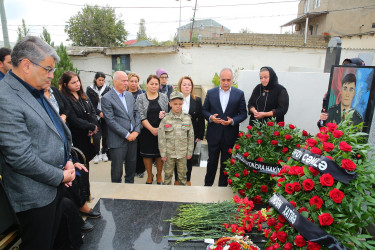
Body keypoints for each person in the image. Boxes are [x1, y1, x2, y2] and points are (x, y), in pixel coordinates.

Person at [0, 36, 75, 249]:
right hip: (34, 196)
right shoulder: (5, 98)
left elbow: (53, 130)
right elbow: (19, 157)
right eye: (48, 69)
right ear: (26, 65)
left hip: (54, 186)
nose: (52, 75)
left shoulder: (33, 90)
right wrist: (59, 175)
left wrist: (67, 159)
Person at [202, 68, 247, 187]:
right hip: (213, 134)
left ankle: (222, 187)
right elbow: (204, 110)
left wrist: (233, 121)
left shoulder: (239, 94)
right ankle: (208, 186)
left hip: (229, 135)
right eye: (223, 80)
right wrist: (211, 117)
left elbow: (243, 113)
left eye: (228, 80)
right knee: (212, 161)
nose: (226, 83)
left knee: (226, 163)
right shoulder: (211, 93)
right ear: (219, 80)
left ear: (232, 80)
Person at [61, 71, 100, 206]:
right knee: (80, 167)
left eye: (78, 81)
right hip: (77, 137)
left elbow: (93, 112)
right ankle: (82, 196)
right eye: (73, 82)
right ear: (66, 84)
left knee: (86, 164)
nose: (77, 84)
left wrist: (94, 126)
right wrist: (89, 126)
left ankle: (87, 193)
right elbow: (73, 119)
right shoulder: (65, 98)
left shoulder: (84, 95)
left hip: (89, 135)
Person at [101, 71, 141, 183]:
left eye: (126, 80)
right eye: (123, 80)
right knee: (117, 170)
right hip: (118, 140)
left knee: (131, 168)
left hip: (133, 139)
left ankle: (129, 190)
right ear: (115, 81)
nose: (126, 83)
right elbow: (110, 121)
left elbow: (137, 113)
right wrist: (127, 135)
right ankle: (116, 194)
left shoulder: (129, 95)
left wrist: (136, 132)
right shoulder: (107, 98)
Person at [136, 75, 169, 184]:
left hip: (161, 131)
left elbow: (168, 114)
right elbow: (140, 115)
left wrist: (160, 127)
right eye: (152, 84)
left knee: (159, 154)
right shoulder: (140, 98)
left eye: (156, 84)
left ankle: (159, 174)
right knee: (147, 154)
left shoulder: (164, 97)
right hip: (146, 131)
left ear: (159, 85)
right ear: (147, 85)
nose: (154, 86)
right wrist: (151, 129)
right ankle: (149, 175)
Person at [174, 76, 205, 186]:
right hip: (177, 134)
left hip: (192, 135)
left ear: (192, 87)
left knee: (188, 158)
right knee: (177, 158)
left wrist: (200, 135)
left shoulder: (197, 100)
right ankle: (177, 180)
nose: (187, 86)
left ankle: (187, 180)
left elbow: (200, 119)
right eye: (184, 84)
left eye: (189, 85)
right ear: (180, 86)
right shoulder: (174, 99)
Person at [158, 90, 194, 185]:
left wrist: (189, 152)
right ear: (170, 104)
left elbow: (190, 137)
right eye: (175, 104)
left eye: (180, 104)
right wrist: (163, 154)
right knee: (167, 175)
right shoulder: (165, 119)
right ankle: (166, 196)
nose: (178, 106)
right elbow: (161, 138)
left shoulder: (187, 118)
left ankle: (181, 196)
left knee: (182, 176)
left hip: (182, 153)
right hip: (169, 154)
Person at [86, 72, 111, 164]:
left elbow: (110, 102)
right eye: (99, 80)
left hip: (105, 115)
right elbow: (89, 103)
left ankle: (104, 152)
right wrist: (99, 112)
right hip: (95, 116)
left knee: (106, 135)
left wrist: (105, 112)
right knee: (96, 136)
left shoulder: (107, 89)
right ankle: (96, 153)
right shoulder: (90, 89)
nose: (101, 82)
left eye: (103, 80)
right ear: (95, 79)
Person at [127, 72, 146, 178]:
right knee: (130, 151)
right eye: (131, 81)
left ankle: (140, 169)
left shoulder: (142, 94)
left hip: (141, 125)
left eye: (136, 81)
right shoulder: (124, 94)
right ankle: (131, 170)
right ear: (128, 82)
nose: (134, 83)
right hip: (128, 126)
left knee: (140, 149)